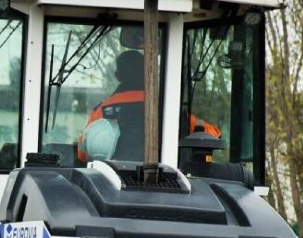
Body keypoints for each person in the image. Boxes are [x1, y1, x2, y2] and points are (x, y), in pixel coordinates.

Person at [77, 49, 221, 163]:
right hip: (167, 185)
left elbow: (83, 154)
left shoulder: (102, 112)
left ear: (118, 76)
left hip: (113, 185)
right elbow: (211, 136)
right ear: (147, 73)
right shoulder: (168, 108)